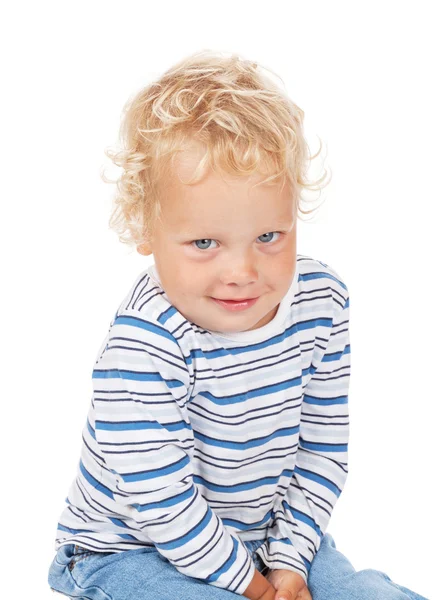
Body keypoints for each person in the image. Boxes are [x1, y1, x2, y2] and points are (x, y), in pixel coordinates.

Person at [47, 50, 428, 600]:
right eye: (205, 243)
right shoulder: (144, 345)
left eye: (269, 237)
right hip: (131, 547)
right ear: (146, 232)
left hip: (268, 538)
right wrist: (250, 587)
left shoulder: (321, 304)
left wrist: (291, 564)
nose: (243, 273)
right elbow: (164, 503)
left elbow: (322, 448)